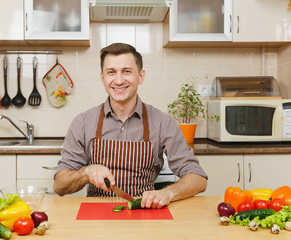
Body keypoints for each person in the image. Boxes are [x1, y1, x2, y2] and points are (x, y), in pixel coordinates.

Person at [53, 42, 207, 209]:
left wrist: (168, 193)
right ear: (103, 78)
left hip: (146, 213)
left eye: (127, 71)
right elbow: (59, 186)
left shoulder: (162, 122)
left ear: (140, 76)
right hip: (96, 219)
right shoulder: (83, 122)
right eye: (111, 72)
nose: (119, 81)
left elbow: (198, 178)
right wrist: (86, 172)